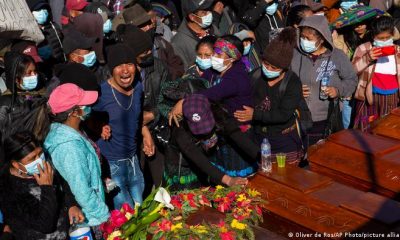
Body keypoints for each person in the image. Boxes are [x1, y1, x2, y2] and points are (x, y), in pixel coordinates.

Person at [170, 35, 256, 177]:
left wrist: (184, 102)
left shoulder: (237, 75)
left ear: (232, 58)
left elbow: (213, 93)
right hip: (221, 129)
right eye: (214, 52)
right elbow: (198, 86)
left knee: (238, 177)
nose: (214, 56)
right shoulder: (215, 71)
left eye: (218, 53)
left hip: (237, 133)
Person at [44, 83, 110, 239]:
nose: (88, 107)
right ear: (74, 112)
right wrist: (104, 215)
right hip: (91, 217)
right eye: (84, 104)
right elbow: (82, 190)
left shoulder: (70, 132)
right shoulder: (69, 147)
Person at [93, 43, 155, 209]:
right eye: (119, 65)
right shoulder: (101, 94)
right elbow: (85, 119)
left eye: (129, 64)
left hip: (133, 159)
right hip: (111, 163)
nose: (125, 70)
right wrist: (99, 125)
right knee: (126, 212)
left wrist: (145, 132)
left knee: (140, 206)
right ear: (112, 69)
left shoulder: (138, 87)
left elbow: (137, 115)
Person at [235, 27, 304, 163]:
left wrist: (254, 115)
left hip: (284, 140)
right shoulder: (255, 75)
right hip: (258, 138)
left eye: (274, 68)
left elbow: (284, 114)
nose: (268, 69)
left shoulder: (292, 83)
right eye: (266, 64)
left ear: (284, 68)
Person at [1, 132, 84, 239]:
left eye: (39, 153)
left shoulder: (46, 162)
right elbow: (45, 226)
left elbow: (63, 182)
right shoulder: (8, 190)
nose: (39, 160)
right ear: (16, 164)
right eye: (32, 159)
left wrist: (71, 204)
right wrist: (47, 188)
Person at [291, 15, 357, 146]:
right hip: (297, 117)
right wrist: (294, 90)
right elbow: (283, 79)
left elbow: (352, 80)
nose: (304, 41)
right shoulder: (294, 55)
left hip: (326, 119)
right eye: (302, 37)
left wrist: (338, 90)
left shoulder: (337, 56)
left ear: (321, 39)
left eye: (308, 38)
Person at [353, 16, 400, 132]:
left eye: (387, 38)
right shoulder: (364, 49)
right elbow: (352, 70)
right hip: (369, 95)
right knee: (365, 127)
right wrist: (367, 58)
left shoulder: (398, 50)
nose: (384, 41)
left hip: (392, 97)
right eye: (380, 38)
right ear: (373, 36)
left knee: (386, 128)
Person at [171, 0, 220, 69]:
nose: (209, 14)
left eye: (209, 10)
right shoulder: (178, 42)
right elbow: (184, 73)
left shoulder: (213, 29)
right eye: (204, 12)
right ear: (192, 17)